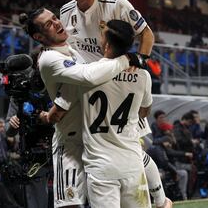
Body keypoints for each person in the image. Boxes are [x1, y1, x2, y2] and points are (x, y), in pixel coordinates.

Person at [61, 0, 170, 208]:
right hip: (89, 86)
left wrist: (139, 64)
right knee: (82, 147)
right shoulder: (66, 12)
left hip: (120, 84)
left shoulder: (116, 3)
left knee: (134, 147)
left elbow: (147, 35)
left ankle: (161, 200)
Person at [19, 8, 142, 207]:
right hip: (69, 143)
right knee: (70, 204)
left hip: (93, 141)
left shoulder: (72, 50)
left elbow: (77, 87)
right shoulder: (49, 59)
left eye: (55, 18)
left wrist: (55, 110)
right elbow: (88, 77)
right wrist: (125, 59)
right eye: (49, 24)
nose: (58, 23)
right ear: (38, 36)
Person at [47, 20, 153, 207]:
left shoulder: (85, 74)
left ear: (106, 44)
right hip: (133, 163)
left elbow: (58, 114)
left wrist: (43, 116)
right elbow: (144, 112)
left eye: (102, 33)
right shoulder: (143, 76)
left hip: (101, 167)